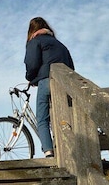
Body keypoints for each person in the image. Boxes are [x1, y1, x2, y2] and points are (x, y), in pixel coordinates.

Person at [24, 17, 74, 158]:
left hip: (47, 81)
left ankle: (48, 152)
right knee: (65, 116)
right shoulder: (60, 45)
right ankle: (68, 149)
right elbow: (71, 67)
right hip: (65, 84)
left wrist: (30, 78)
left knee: (42, 119)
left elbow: (32, 64)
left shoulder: (35, 41)